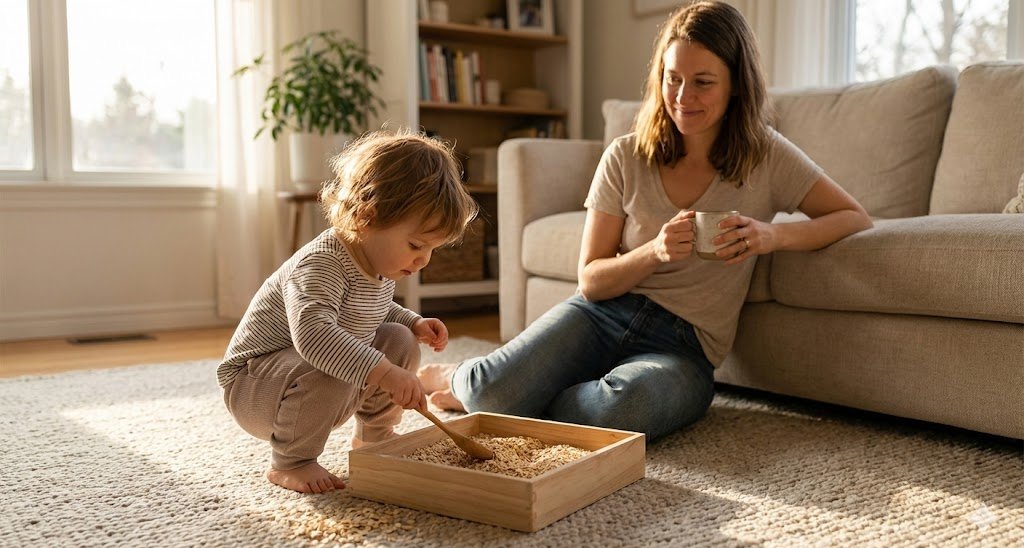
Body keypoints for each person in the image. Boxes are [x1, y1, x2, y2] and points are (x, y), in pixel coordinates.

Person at [419, 0, 872, 441]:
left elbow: (852, 216)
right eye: (672, 79)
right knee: (490, 391)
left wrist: (771, 234)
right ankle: (469, 379)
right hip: (600, 316)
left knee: (625, 407)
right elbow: (592, 281)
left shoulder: (766, 155)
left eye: (702, 82)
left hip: (684, 349)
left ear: (736, 84)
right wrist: (653, 250)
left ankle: (527, 396)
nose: (682, 97)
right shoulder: (625, 155)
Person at [216, 130, 478, 493]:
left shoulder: (376, 263)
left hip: (301, 379)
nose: (423, 260)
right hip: (254, 388)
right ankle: (291, 461)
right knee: (334, 359)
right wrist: (384, 373)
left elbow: (373, 309)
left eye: (432, 249)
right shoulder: (321, 264)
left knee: (399, 341)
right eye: (416, 244)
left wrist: (412, 322)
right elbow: (316, 338)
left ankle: (374, 438)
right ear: (368, 216)